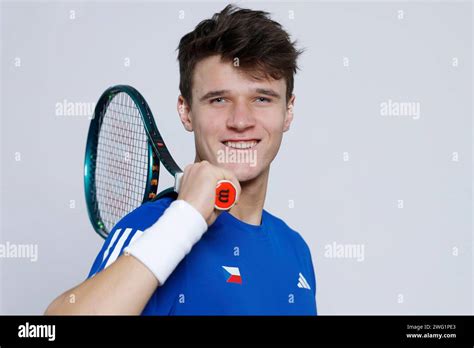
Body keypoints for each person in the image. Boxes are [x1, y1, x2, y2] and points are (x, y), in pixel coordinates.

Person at [45, 4, 317, 315]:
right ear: (186, 110)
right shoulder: (151, 230)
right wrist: (185, 219)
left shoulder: (295, 250)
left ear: (289, 110)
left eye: (261, 99)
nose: (241, 121)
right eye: (219, 99)